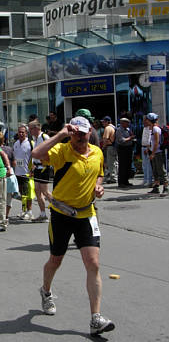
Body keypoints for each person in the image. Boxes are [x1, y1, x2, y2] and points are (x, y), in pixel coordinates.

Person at [32, 116, 115, 337]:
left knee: (93, 263)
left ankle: (95, 318)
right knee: (55, 260)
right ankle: (46, 291)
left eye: (83, 133)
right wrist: (60, 134)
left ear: (90, 133)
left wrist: (99, 187)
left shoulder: (97, 152)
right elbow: (36, 155)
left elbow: (99, 175)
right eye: (75, 133)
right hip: (61, 214)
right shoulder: (62, 150)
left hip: (87, 214)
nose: (79, 137)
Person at [28, 120, 51, 222]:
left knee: (45, 192)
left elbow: (51, 151)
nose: (29, 131)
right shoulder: (35, 139)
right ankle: (43, 214)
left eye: (31, 129)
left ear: (37, 128)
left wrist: (44, 160)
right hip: (37, 168)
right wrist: (32, 167)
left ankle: (60, 210)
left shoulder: (44, 137)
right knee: (37, 191)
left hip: (44, 168)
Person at [0, 132, 18, 222]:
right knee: (8, 197)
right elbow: (14, 163)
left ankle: (0, 216)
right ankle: (6, 216)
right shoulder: (9, 149)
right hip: (10, 174)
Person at [13, 124, 33, 220]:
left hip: (26, 172)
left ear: (26, 133)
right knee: (21, 193)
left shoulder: (30, 143)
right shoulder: (16, 143)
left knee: (27, 193)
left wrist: (32, 170)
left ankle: (29, 211)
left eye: (23, 132)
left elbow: (34, 157)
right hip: (17, 172)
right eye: (19, 132)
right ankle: (23, 210)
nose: (21, 134)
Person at [145, 113, 168, 194]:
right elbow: (152, 141)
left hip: (158, 153)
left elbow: (156, 142)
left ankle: (166, 188)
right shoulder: (152, 128)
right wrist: (149, 149)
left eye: (147, 119)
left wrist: (153, 153)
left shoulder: (155, 129)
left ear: (150, 120)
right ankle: (156, 187)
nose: (146, 121)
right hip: (155, 152)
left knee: (161, 170)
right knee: (155, 171)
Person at [115, 118, 135, 188]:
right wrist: (130, 138)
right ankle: (121, 182)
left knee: (128, 165)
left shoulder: (128, 130)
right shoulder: (119, 130)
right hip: (122, 149)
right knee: (122, 166)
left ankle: (126, 181)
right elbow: (121, 140)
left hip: (129, 148)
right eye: (127, 123)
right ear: (123, 123)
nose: (128, 124)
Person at [101, 116, 117, 184]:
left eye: (104, 122)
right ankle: (115, 176)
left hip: (110, 146)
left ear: (108, 122)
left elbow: (105, 138)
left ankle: (112, 178)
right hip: (114, 146)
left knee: (110, 163)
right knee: (115, 162)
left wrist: (103, 147)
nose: (103, 123)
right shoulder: (113, 127)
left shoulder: (107, 128)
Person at [141, 116, 153, 187]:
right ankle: (145, 179)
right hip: (143, 147)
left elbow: (150, 139)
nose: (144, 122)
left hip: (147, 148)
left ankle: (149, 180)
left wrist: (148, 148)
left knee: (149, 166)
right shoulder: (144, 128)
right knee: (144, 165)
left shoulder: (150, 128)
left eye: (145, 121)